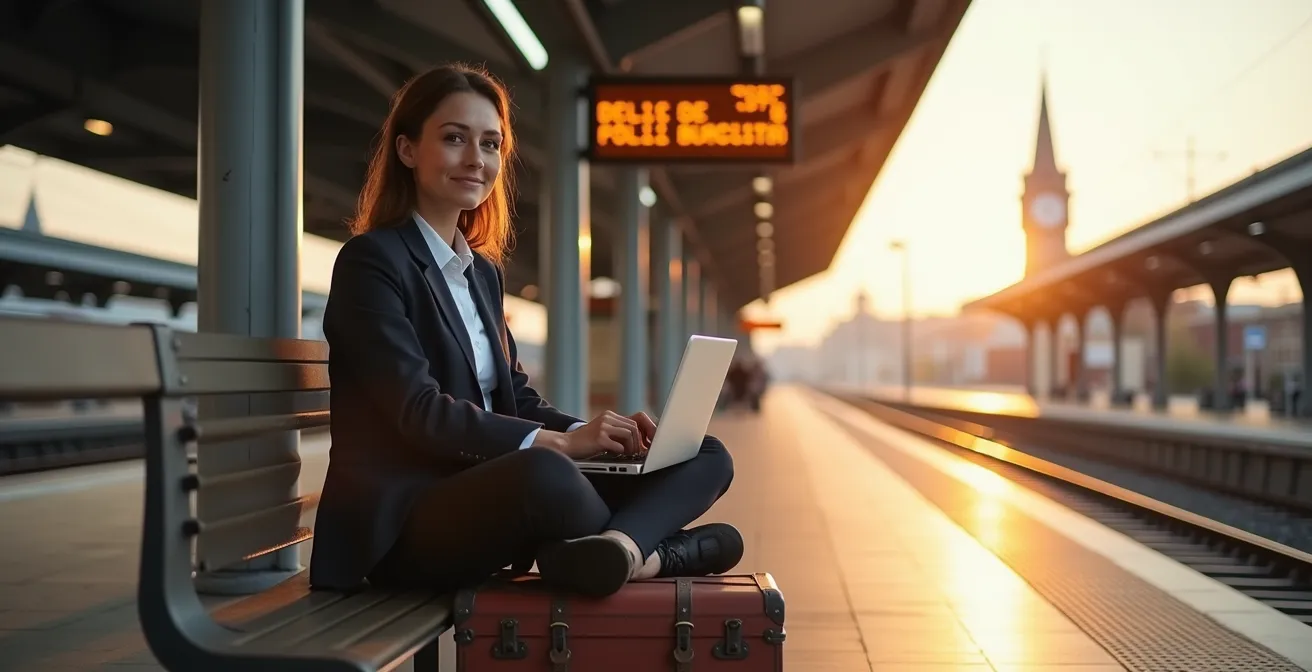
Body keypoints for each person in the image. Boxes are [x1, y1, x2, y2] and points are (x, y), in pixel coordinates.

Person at [307, 64, 742, 599]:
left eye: (490, 144)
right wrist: (559, 444)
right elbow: (416, 412)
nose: (476, 159)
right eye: (453, 139)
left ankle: (627, 553)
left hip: (491, 497)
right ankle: (659, 548)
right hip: (406, 525)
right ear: (406, 150)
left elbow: (516, 398)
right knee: (547, 473)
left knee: (703, 453)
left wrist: (599, 435)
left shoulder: (481, 274)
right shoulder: (372, 263)